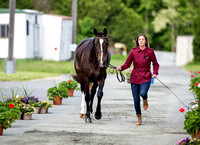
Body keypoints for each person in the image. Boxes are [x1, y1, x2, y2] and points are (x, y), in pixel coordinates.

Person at [116, 33, 159, 125]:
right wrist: (121, 68)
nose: (141, 41)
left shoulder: (150, 52)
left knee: (143, 93)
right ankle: (139, 117)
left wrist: (155, 73)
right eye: (139, 39)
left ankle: (145, 98)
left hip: (146, 76)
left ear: (146, 41)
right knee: (135, 99)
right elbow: (127, 64)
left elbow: (155, 64)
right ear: (137, 41)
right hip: (135, 77)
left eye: (143, 39)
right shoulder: (133, 51)